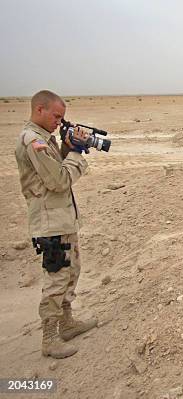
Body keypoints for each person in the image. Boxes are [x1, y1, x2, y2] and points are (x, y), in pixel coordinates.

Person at [14, 90, 97, 359]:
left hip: (61, 219)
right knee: (57, 277)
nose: (59, 122)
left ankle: (67, 323)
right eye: (56, 116)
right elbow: (59, 181)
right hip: (50, 223)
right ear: (40, 109)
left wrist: (65, 147)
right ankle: (49, 339)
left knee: (71, 271)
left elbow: (54, 168)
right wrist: (76, 154)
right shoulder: (32, 141)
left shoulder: (43, 139)